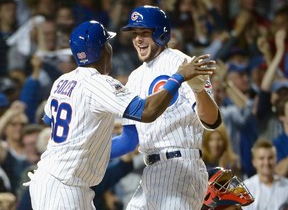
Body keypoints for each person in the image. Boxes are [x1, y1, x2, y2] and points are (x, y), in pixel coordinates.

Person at [27, 20, 216, 210]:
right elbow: (147, 111)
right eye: (107, 44)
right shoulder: (99, 83)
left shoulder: (63, 80)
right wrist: (178, 77)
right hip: (64, 185)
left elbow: (48, 120)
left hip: (56, 178)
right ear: (104, 50)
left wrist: (88, 149)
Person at [120, 5, 221, 210]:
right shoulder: (134, 77)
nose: (138, 39)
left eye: (144, 33)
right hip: (151, 172)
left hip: (181, 168)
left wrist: (200, 91)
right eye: (134, 33)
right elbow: (129, 140)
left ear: (160, 33)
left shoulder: (184, 64)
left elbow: (212, 121)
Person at [243, 139, 288, 210]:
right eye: (261, 158)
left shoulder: (286, 186)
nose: (266, 163)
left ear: (276, 160)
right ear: (254, 162)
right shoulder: (245, 188)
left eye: (270, 158)